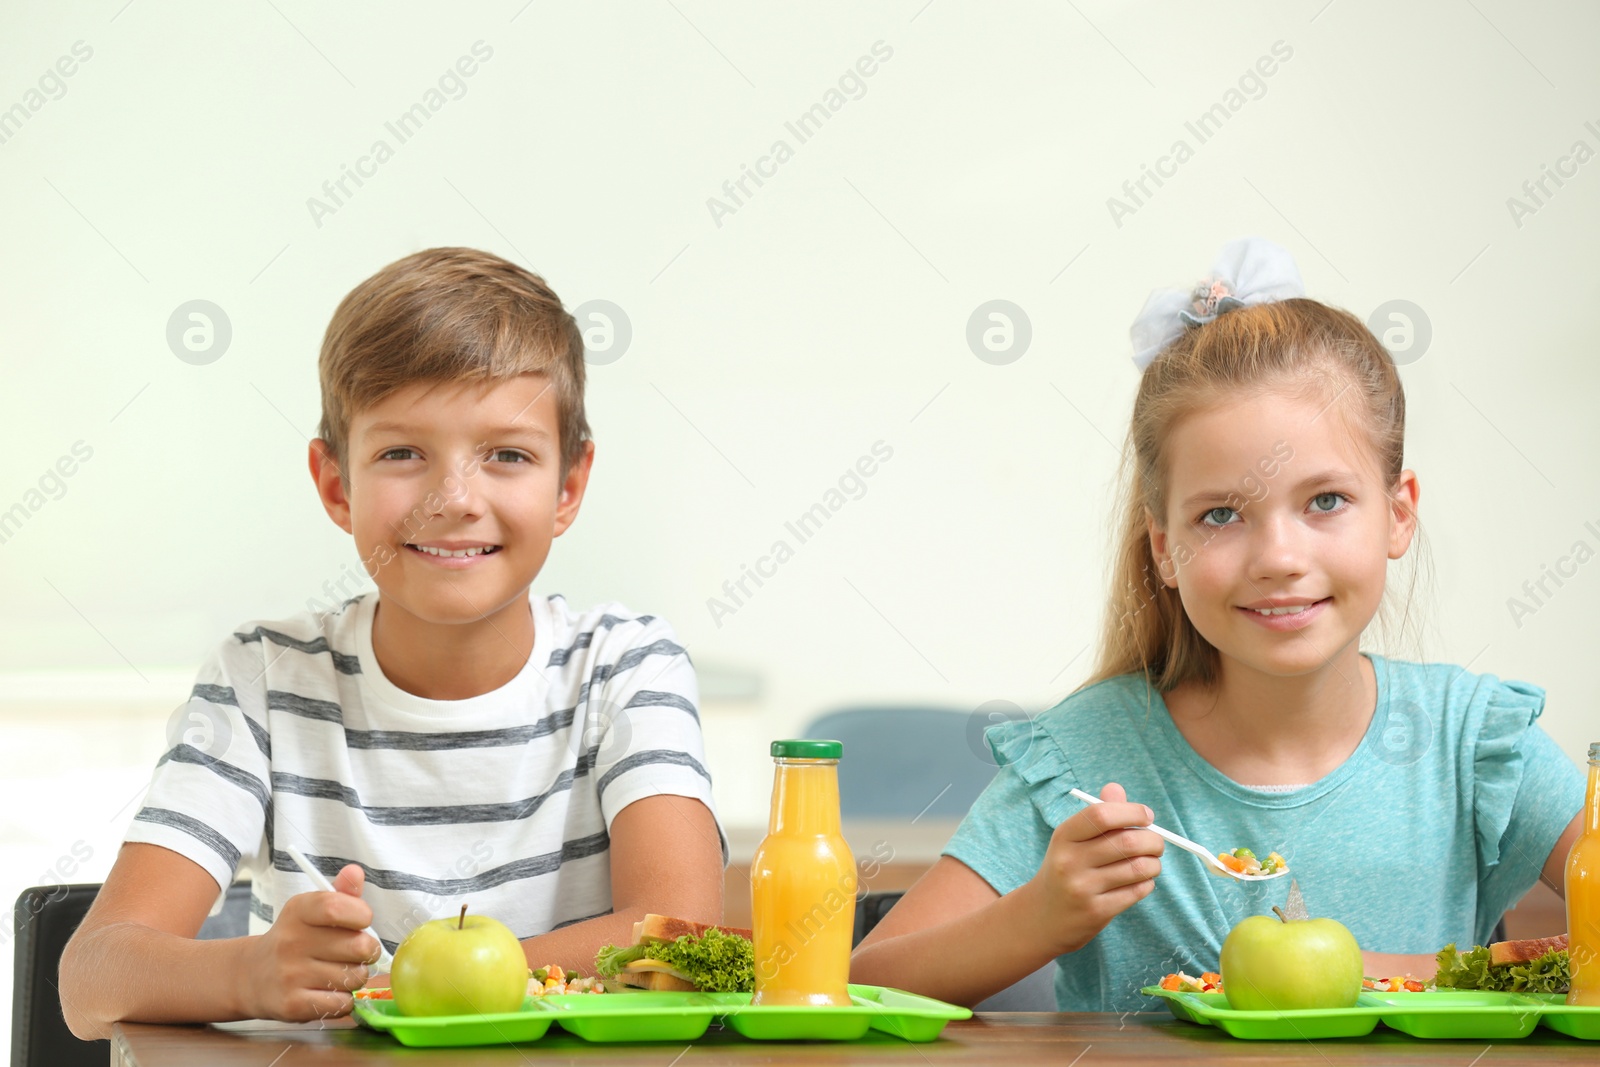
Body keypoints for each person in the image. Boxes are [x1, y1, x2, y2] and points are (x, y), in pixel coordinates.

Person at [851, 238, 1585, 1012]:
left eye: (1325, 501)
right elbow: (858, 984)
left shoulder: (1473, 741)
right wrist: (1038, 918)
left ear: (1398, 513)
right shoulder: (1086, 760)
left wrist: (1372, 971)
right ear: (1165, 548)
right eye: (1222, 514)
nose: (1278, 556)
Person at [61, 248, 726, 1036]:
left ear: (568, 487)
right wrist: (252, 969)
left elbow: (681, 940)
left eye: (507, 455)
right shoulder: (262, 678)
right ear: (337, 485)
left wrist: (418, 983)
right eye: (403, 453)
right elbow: (92, 981)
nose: (454, 499)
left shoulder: (624, 667)